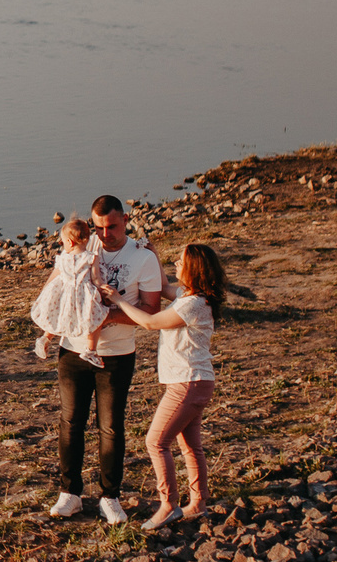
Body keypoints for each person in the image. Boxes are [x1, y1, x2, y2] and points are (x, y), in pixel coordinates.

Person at [47, 196, 163, 524]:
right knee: (70, 423)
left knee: (110, 427)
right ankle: (69, 494)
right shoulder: (83, 247)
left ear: (125, 219)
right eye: (98, 227)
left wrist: (108, 316)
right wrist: (49, 325)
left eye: (111, 226)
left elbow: (152, 310)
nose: (104, 233)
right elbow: (57, 285)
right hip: (72, 350)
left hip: (116, 355)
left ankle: (110, 497)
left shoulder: (142, 258)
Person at [110, 242, 227, 530]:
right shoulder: (191, 297)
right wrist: (154, 256)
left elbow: (150, 322)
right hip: (196, 382)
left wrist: (119, 300)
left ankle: (169, 505)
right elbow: (163, 288)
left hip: (187, 383)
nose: (177, 264)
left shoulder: (193, 304)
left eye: (181, 261)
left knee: (155, 441)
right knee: (190, 445)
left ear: (194, 269)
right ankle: (198, 502)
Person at [31, 217, 113, 366]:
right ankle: (91, 350)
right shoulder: (91, 257)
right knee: (93, 318)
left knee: (58, 313)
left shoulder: (63, 258)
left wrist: (44, 292)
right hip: (84, 294)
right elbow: (96, 278)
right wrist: (103, 290)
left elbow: (55, 276)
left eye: (63, 242)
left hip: (65, 293)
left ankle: (46, 337)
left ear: (69, 242)